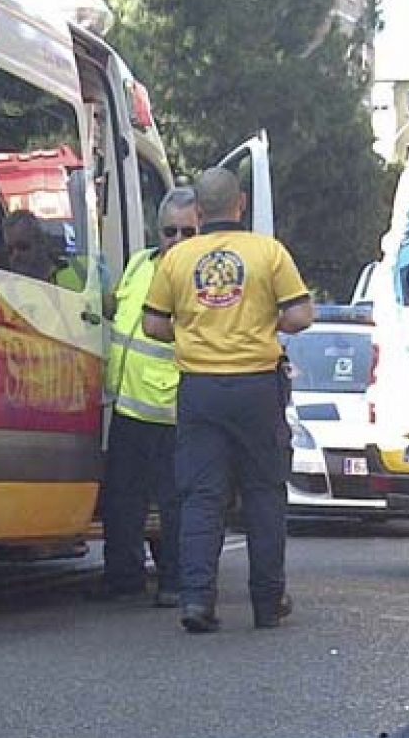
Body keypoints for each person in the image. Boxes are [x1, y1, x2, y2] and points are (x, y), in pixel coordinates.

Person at [143, 167, 314, 632]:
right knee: (263, 494)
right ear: (240, 204)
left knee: (201, 496)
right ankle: (267, 602)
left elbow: (153, 325)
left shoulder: (177, 260)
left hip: (200, 390)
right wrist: (260, 325)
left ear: (198, 210)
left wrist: (199, 331)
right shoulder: (268, 252)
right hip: (257, 388)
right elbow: (300, 315)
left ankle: (196, 600)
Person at [89, 188, 199, 606]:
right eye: (170, 231)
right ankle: (123, 578)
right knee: (122, 500)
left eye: (187, 232)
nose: (177, 240)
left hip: (172, 409)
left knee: (173, 503)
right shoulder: (140, 263)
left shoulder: (200, 278)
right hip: (128, 405)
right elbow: (118, 308)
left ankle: (173, 582)